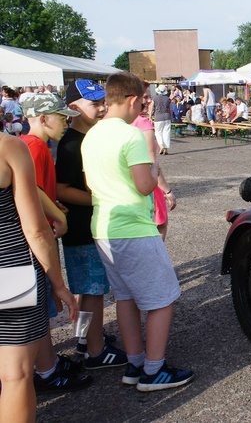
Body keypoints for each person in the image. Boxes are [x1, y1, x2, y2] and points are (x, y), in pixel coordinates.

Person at [81, 71, 193, 392]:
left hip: (103, 227)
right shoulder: (130, 136)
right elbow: (145, 185)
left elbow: (92, 182)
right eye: (142, 102)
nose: (143, 107)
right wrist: (155, 169)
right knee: (163, 298)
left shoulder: (92, 135)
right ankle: (154, 370)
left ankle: (135, 362)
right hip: (133, 228)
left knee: (126, 298)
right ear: (131, 100)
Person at [0, 134, 80, 422]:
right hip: (9, 268)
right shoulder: (7, 147)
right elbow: (35, 229)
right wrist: (58, 283)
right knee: (16, 374)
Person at [19, 94, 96, 392]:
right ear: (42, 118)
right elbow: (30, 195)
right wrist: (52, 214)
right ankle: (46, 370)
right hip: (33, 241)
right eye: (60, 117)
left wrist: (53, 206)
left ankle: (47, 363)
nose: (65, 122)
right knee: (38, 310)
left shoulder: (31, 145)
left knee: (40, 309)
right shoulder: (35, 147)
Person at [56, 79, 129, 370]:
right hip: (81, 227)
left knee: (90, 289)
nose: (101, 108)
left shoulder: (88, 137)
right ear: (73, 108)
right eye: (94, 103)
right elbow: (61, 188)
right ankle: (96, 352)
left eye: (102, 102)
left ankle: (87, 340)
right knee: (93, 290)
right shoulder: (73, 144)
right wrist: (99, 199)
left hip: (87, 226)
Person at [133, 81, 177, 239]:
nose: (149, 101)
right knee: (160, 225)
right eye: (145, 97)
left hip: (131, 187)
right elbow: (152, 163)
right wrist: (167, 191)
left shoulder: (118, 124)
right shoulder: (142, 124)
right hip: (149, 184)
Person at [151, 85, 172, 155]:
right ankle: (166, 149)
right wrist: (171, 116)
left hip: (158, 117)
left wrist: (150, 116)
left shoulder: (155, 98)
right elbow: (170, 109)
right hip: (167, 116)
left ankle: (161, 146)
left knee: (158, 132)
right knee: (166, 133)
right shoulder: (168, 99)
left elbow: (152, 108)